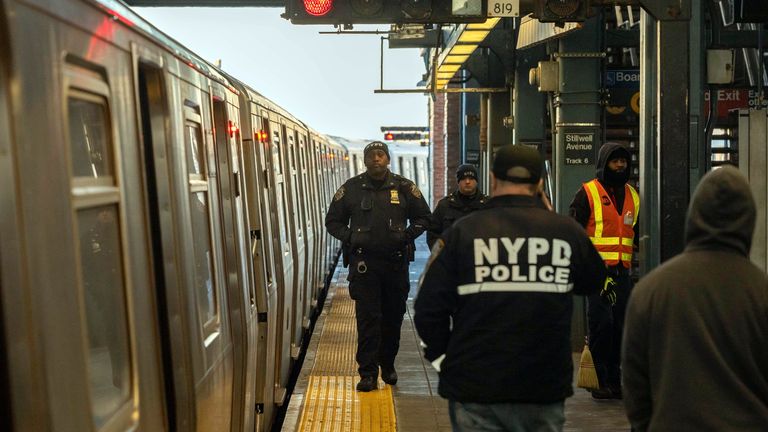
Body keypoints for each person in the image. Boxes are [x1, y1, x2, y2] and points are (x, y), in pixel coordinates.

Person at [414, 145, 607, 431]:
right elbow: (594, 279)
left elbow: (428, 308)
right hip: (543, 386)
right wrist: (551, 217)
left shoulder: (463, 233)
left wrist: (444, 359)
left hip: (475, 384)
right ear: (540, 183)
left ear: (492, 179)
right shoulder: (565, 232)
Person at [622, 166, 768, 431]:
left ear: (694, 215)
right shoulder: (761, 292)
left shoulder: (652, 290)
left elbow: (635, 382)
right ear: (749, 220)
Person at [325, 141, 431, 392]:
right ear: (364, 161)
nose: (376, 159)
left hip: (396, 265)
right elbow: (332, 221)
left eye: (380, 155)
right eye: (371, 156)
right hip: (365, 266)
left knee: (393, 319)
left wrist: (407, 236)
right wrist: (351, 237)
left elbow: (424, 217)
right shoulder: (350, 189)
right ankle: (368, 373)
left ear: (387, 159)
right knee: (368, 319)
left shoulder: (405, 188)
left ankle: (388, 364)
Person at [569, 142, 638, 399]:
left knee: (620, 325)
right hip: (598, 274)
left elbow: (633, 232)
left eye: (623, 161)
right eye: (615, 161)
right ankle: (598, 380)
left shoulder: (633, 195)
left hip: (622, 273)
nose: (620, 165)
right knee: (602, 325)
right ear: (604, 163)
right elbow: (575, 233)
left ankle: (614, 378)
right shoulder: (587, 193)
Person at [426, 164, 488, 250]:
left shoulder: (488, 205)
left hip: (480, 258)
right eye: (463, 179)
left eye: (471, 178)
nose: (467, 182)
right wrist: (442, 256)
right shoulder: (445, 206)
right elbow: (433, 234)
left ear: (476, 181)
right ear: (458, 181)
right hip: (452, 259)